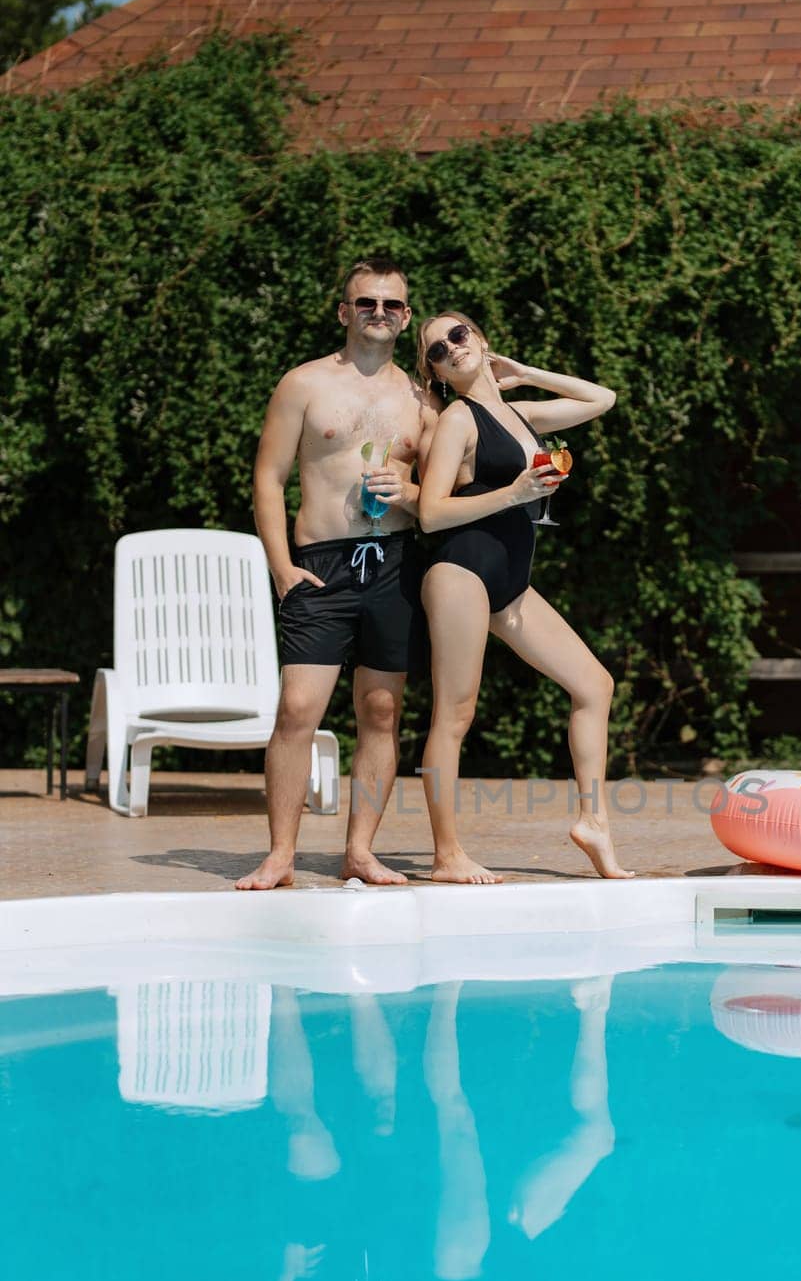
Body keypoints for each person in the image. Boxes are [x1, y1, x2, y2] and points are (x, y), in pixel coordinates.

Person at [237, 258, 438, 891]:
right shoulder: (303, 384)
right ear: (344, 311)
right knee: (298, 709)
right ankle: (280, 855)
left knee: (382, 711)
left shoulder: (422, 397)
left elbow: (442, 486)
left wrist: (407, 488)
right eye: (367, 302)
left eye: (391, 305)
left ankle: (359, 852)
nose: (379, 313)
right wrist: (281, 567)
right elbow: (267, 479)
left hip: (396, 564)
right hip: (320, 566)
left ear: (406, 318)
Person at [416, 312, 633, 883]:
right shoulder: (458, 420)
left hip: (510, 583)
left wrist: (523, 372)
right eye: (437, 350)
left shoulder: (518, 414)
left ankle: (594, 823)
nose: (450, 348)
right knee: (455, 714)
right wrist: (515, 492)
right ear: (435, 372)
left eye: (458, 336)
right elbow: (432, 511)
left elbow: (602, 398)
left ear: (481, 339)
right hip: (460, 571)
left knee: (594, 686)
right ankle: (446, 856)